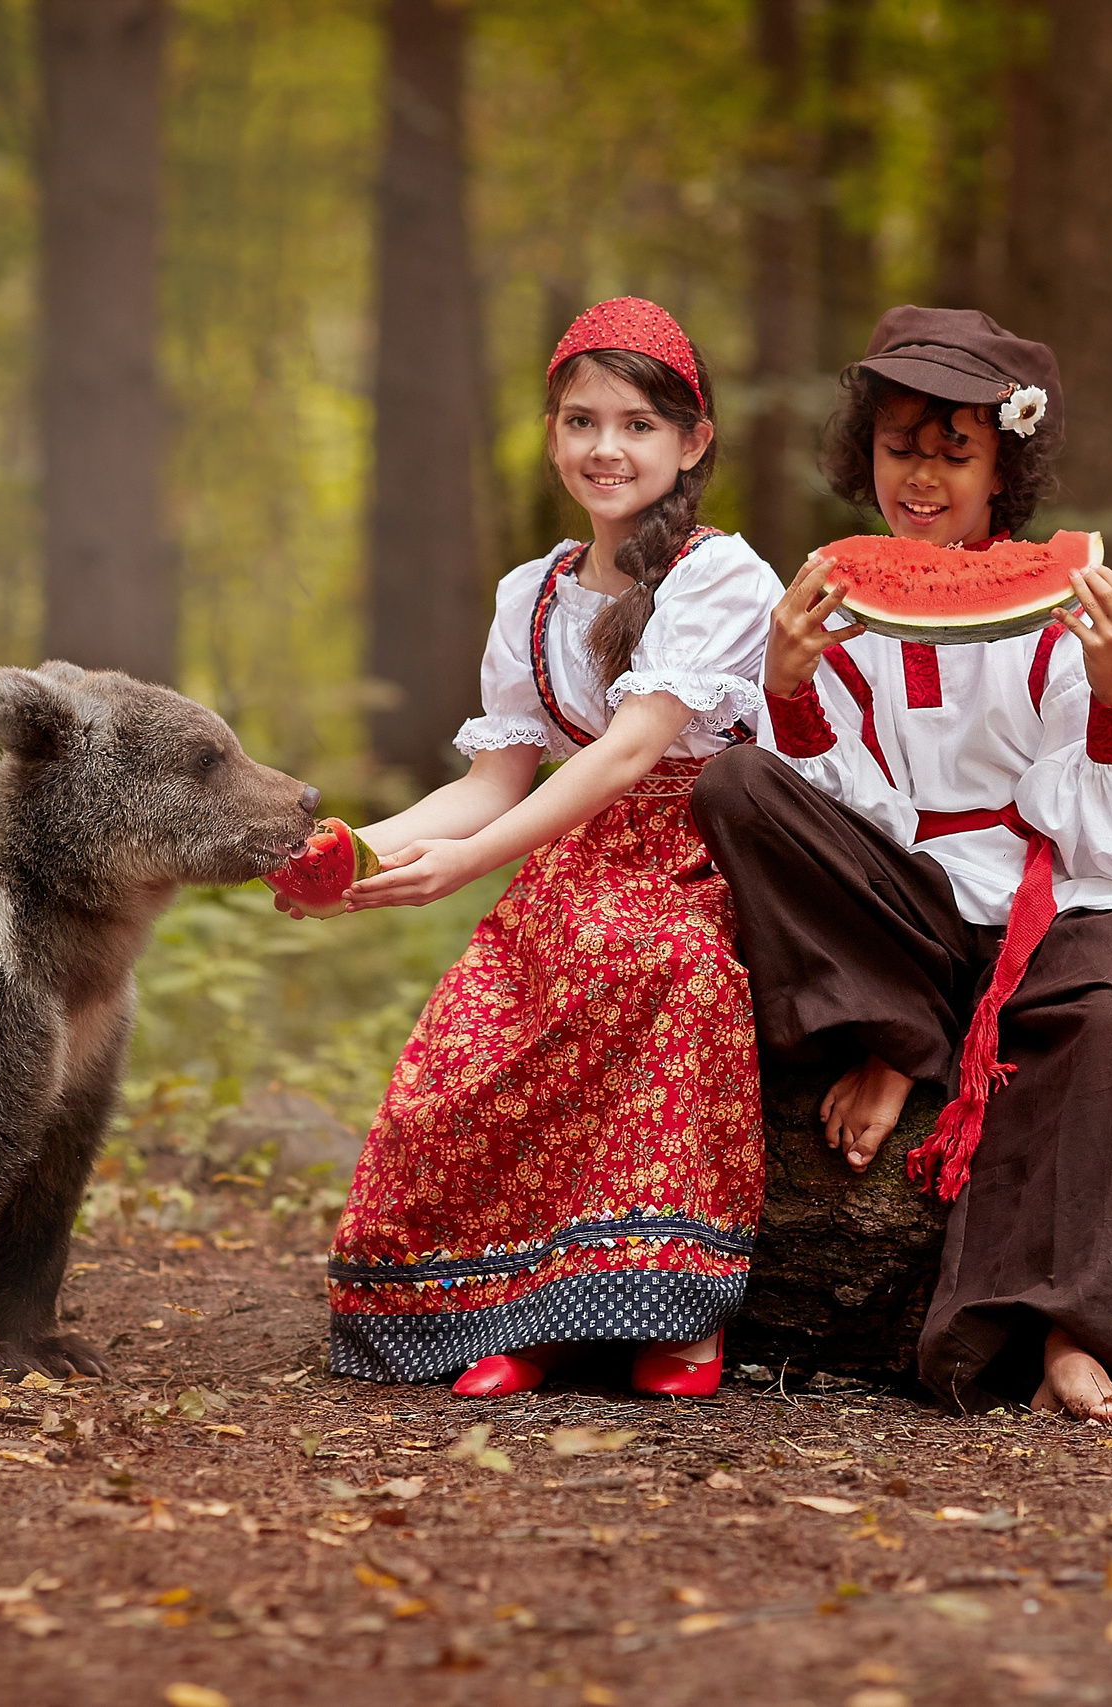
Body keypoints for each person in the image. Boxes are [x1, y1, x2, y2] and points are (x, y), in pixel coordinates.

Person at [690, 306, 1112, 1426]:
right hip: (898, 903)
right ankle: (900, 1033)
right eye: (898, 448)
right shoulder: (831, 597)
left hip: (1045, 891)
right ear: (862, 452)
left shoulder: (1065, 607)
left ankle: (1070, 1336)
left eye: (952, 452)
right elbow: (829, 813)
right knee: (733, 787)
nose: (920, 481)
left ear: (1002, 464)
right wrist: (787, 683)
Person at [322, 299, 783, 1400]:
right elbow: (491, 781)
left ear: (693, 441)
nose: (605, 449)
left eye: (636, 424)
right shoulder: (528, 594)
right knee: (465, 1048)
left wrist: (474, 866)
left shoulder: (722, 576)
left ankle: (673, 1318)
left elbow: (629, 755)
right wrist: (348, 852)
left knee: (659, 968)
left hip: (703, 851)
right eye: (581, 422)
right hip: (568, 861)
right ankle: (522, 1313)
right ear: (550, 434)